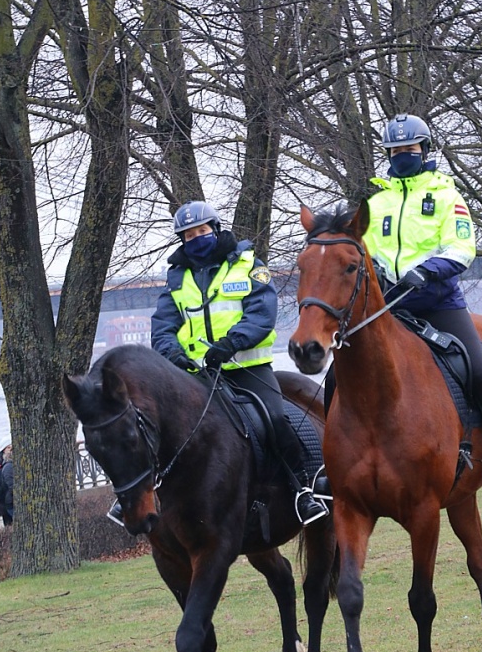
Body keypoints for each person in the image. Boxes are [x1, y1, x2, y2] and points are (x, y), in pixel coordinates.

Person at [107, 201, 328, 527]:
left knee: (277, 421)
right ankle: (135, 496)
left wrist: (231, 343)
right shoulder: (176, 278)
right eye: (189, 234)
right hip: (195, 374)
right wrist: (173, 355)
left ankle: (303, 490)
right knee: (154, 426)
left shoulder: (250, 263)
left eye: (202, 231)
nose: (197, 238)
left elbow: (262, 312)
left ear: (216, 228)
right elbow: (164, 327)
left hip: (246, 369)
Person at [364, 113, 482, 490]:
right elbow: (367, 249)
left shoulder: (445, 195)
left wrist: (427, 271)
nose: (403, 155)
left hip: (439, 303)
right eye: (395, 150)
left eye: (410, 149)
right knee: (342, 371)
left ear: (424, 150)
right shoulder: (377, 202)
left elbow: (461, 247)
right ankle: (330, 461)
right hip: (392, 306)